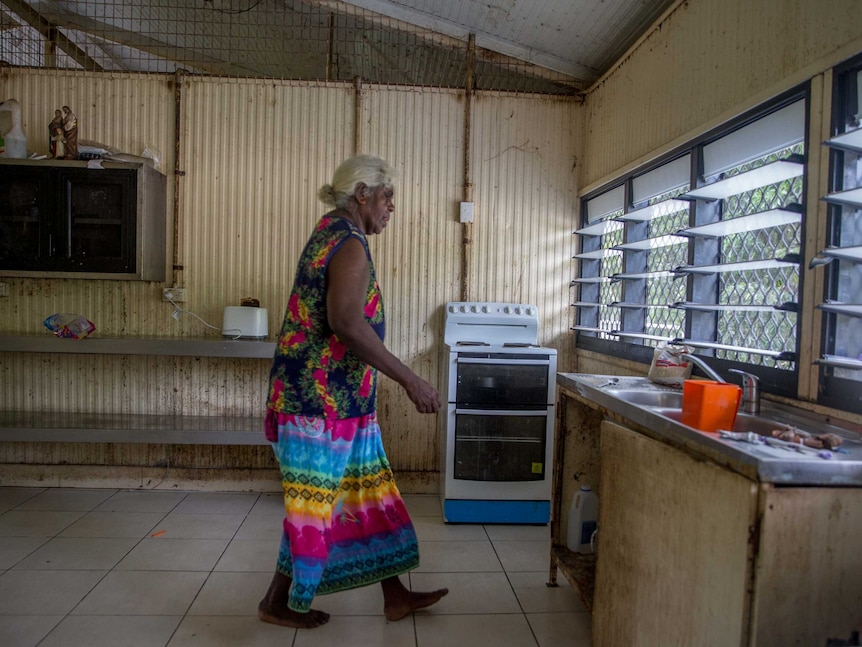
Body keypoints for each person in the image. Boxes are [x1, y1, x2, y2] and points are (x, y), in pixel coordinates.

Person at [259, 154, 449, 629]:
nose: (391, 208)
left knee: (369, 496)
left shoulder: (335, 232)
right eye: (387, 197)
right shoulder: (348, 244)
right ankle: (276, 603)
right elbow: (346, 322)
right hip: (318, 407)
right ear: (362, 194)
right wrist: (411, 379)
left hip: (341, 406)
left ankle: (394, 596)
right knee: (315, 506)